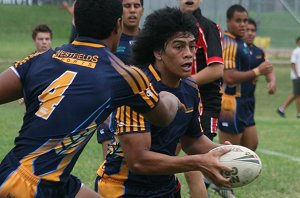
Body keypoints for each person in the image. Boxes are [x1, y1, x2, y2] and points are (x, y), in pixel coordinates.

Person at [0, 0, 183, 197]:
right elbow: (163, 117)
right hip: (31, 187)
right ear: (118, 25)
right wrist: (169, 97)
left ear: (75, 23)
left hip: (24, 174)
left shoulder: (39, 59)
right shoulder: (124, 75)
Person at [95, 7, 232, 198]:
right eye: (179, 46)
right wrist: (199, 162)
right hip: (124, 188)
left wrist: (226, 153)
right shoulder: (137, 88)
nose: (189, 54)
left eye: (192, 46)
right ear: (158, 52)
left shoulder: (190, 88)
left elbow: (192, 140)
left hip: (165, 186)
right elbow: (139, 161)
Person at [217, 5, 274, 197]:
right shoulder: (229, 43)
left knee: (251, 144)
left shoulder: (243, 43)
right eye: (238, 21)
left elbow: (263, 66)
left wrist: (267, 78)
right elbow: (230, 77)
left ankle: (212, 179)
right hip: (231, 103)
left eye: (245, 20)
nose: (243, 24)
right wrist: (257, 72)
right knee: (229, 149)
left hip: (247, 103)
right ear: (228, 22)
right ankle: (222, 183)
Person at [178, 0, 224, 197]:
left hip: (203, 104)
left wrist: (184, 83)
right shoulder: (171, 26)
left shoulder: (208, 27)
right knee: (163, 159)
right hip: (175, 102)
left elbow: (216, 69)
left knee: (194, 166)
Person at [97, 0, 144, 160]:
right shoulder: (111, 41)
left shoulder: (149, 41)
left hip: (142, 110)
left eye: (136, 6)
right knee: (109, 165)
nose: (132, 11)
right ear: (120, 10)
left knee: (138, 165)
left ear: (142, 10)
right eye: (127, 6)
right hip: (112, 110)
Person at [18, 24, 53, 104]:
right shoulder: (28, 62)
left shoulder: (57, 60)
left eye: (47, 39)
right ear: (34, 40)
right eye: (40, 39)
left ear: (51, 40)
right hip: (33, 103)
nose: (44, 42)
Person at [277, 36, 300, 118]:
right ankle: (298, 113)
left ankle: (282, 109)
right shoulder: (296, 51)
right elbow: (293, 64)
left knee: (296, 94)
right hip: (297, 77)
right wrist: (297, 75)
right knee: (297, 94)